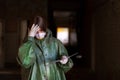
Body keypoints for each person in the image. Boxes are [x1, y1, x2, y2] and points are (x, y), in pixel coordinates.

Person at [17, 16, 73, 80]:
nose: (39, 34)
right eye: (36, 32)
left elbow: (67, 64)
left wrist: (65, 60)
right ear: (30, 30)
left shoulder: (56, 43)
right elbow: (25, 62)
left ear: (45, 29)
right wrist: (30, 38)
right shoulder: (28, 44)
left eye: (41, 31)